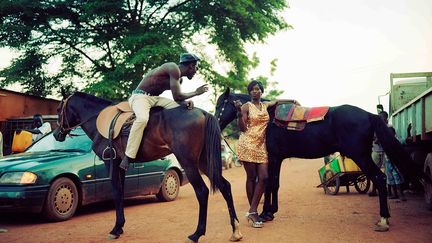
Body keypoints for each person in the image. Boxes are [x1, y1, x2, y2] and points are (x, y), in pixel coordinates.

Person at [120, 53, 208, 170]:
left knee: (179, 109)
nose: (196, 70)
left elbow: (177, 99)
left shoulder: (179, 79)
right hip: (140, 97)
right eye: (196, 67)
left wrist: (184, 104)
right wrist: (196, 92)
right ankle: (128, 156)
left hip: (155, 99)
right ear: (191, 65)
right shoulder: (172, 68)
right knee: (142, 119)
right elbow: (178, 96)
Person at [234, 80, 296, 228]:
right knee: (251, 177)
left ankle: (252, 210)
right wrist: (238, 113)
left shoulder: (265, 105)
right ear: (249, 92)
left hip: (261, 146)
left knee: (264, 177)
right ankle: (253, 212)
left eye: (258, 89)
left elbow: (277, 101)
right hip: (247, 144)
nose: (256, 91)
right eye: (253, 89)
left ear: (262, 92)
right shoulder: (245, 106)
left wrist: (293, 100)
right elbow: (242, 128)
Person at [385, 127, 407, 201]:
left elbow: (405, 142)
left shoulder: (398, 140)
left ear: (394, 134)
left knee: (397, 176)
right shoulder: (385, 140)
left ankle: (401, 194)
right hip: (388, 162)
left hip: (395, 162)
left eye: (391, 133)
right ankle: (395, 194)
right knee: (390, 178)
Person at [368, 111, 387, 197]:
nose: (380, 119)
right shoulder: (374, 127)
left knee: (388, 171)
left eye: (382, 118)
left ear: (386, 119)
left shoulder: (388, 127)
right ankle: (374, 190)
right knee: (375, 170)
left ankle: (387, 190)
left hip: (385, 151)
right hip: (376, 150)